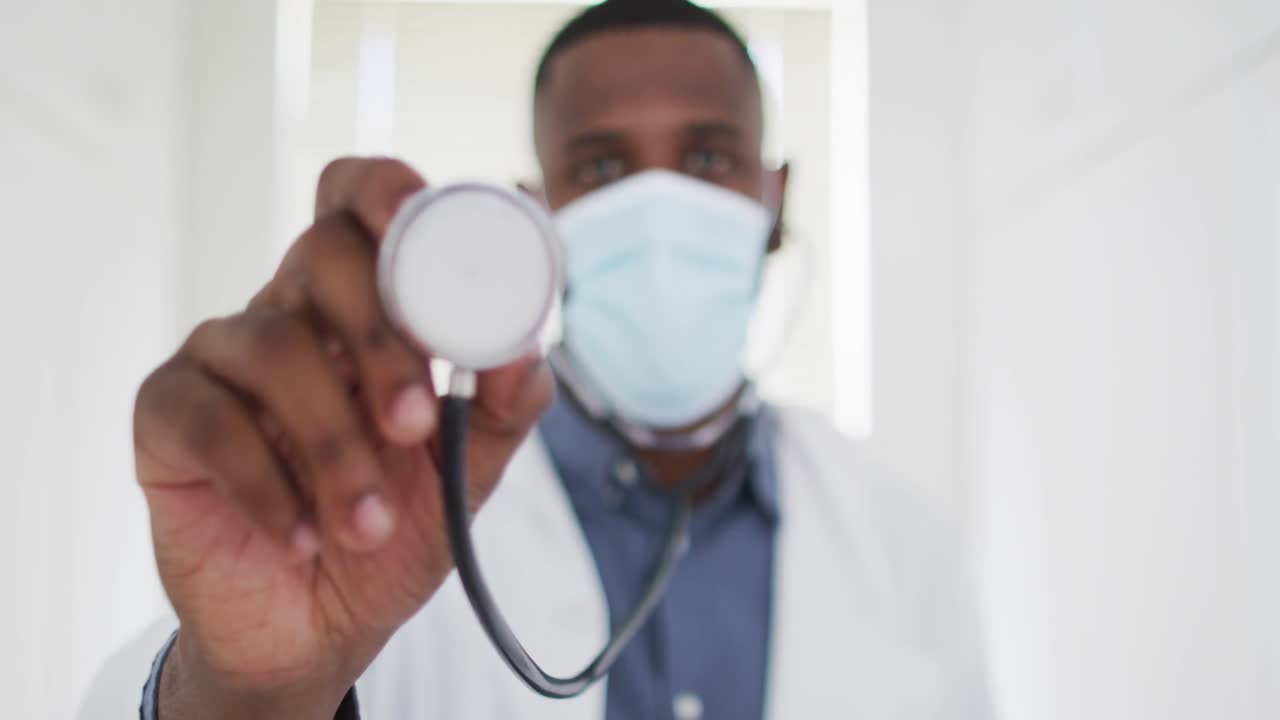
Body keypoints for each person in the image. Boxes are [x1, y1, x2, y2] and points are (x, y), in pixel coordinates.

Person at [81, 1, 993, 718]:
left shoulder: (906, 548)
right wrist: (255, 695)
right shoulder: (381, 500)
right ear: (538, 212)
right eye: (600, 170)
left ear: (775, 195)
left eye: (710, 157)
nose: (660, 204)